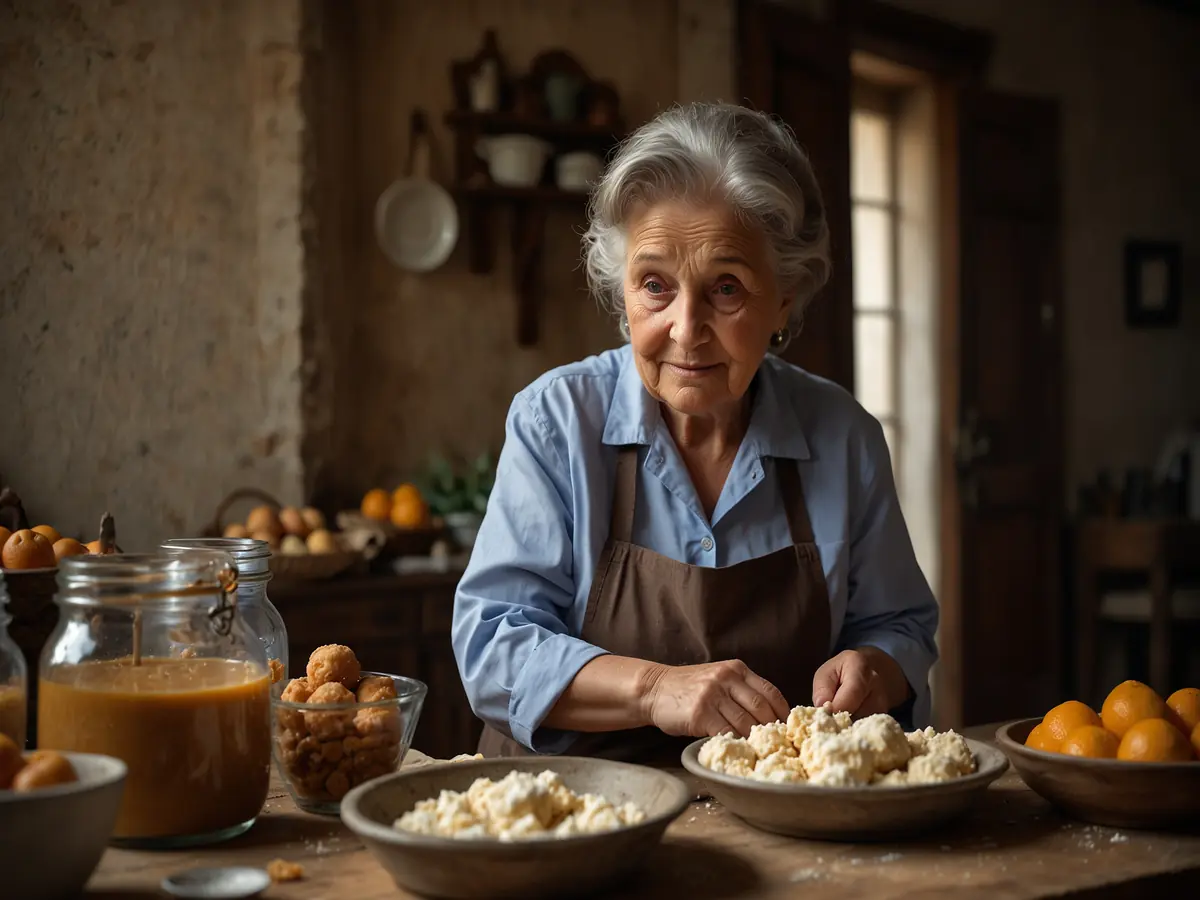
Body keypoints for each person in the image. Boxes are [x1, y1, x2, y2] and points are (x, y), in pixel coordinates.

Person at [451, 102, 938, 762]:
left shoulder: (842, 437)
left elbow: (898, 624)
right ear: (622, 291)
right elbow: (492, 645)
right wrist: (655, 689)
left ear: (784, 298)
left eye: (727, 288)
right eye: (655, 285)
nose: (685, 328)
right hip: (568, 815)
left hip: (773, 822)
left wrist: (877, 666)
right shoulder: (557, 421)